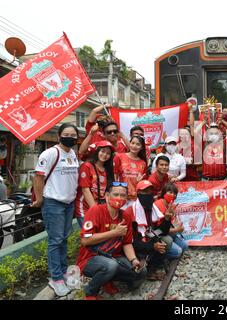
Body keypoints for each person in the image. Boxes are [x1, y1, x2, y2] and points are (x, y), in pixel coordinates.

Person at [32, 123, 80, 297]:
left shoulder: (73, 153)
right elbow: (38, 176)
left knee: (64, 239)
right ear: (59, 136)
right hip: (54, 203)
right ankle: (56, 278)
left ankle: (63, 271)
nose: (70, 137)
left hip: (69, 203)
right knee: (55, 240)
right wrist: (39, 199)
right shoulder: (51, 153)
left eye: (73, 134)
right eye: (66, 134)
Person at [76, 183, 146, 300]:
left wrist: (133, 260)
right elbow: (85, 241)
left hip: (113, 256)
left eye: (123, 195)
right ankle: (90, 293)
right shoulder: (96, 211)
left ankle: (106, 280)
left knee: (140, 272)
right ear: (107, 196)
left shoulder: (125, 216)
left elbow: (127, 243)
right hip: (90, 258)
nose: (119, 198)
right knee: (110, 265)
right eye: (116, 194)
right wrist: (114, 233)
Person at [125, 180, 170, 280]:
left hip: (148, 239)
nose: (148, 195)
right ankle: (145, 267)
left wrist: (167, 219)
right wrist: (152, 246)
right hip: (134, 247)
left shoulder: (152, 208)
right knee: (139, 274)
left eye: (150, 192)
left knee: (166, 242)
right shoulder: (130, 212)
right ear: (138, 194)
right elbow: (130, 242)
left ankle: (152, 269)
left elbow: (161, 231)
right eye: (145, 192)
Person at [74, 141, 115, 228]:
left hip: (100, 207)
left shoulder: (108, 169)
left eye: (108, 153)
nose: (105, 155)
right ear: (97, 151)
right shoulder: (87, 166)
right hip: (85, 208)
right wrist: (95, 210)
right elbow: (85, 189)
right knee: (89, 236)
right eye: (103, 151)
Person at [152, 184, 188, 259]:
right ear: (164, 193)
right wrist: (177, 230)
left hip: (167, 232)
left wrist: (178, 227)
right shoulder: (158, 204)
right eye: (170, 192)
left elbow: (173, 224)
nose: (172, 195)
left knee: (184, 246)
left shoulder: (171, 205)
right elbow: (160, 230)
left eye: (175, 193)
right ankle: (159, 258)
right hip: (157, 234)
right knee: (177, 252)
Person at [114, 135, 147, 208]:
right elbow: (114, 176)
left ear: (141, 147)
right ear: (129, 143)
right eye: (133, 143)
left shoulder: (143, 163)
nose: (134, 146)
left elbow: (143, 184)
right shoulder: (119, 157)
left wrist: (139, 182)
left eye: (138, 144)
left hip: (135, 199)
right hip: (121, 196)